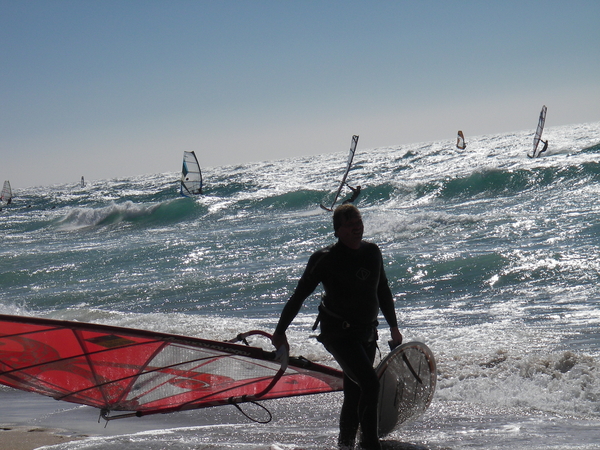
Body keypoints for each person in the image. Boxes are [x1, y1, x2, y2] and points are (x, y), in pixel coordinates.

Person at [272, 204, 402, 450]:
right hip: (339, 334)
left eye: (359, 222)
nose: (357, 227)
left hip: (367, 333)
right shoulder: (325, 259)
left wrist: (393, 327)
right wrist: (280, 332)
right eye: (350, 224)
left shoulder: (372, 252)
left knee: (355, 392)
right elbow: (298, 296)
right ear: (337, 230)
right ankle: (369, 445)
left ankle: (345, 446)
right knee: (370, 383)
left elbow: (383, 291)